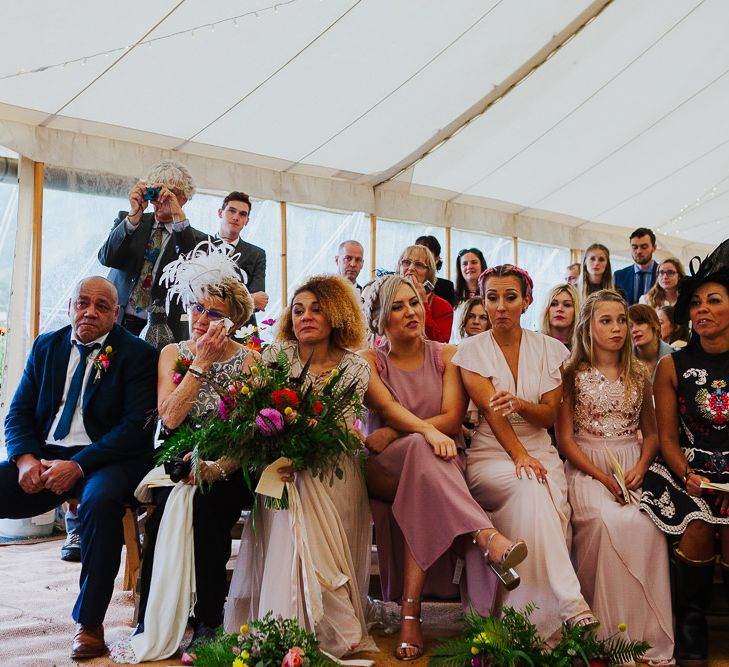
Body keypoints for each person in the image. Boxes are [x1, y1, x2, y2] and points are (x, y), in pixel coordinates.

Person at [361, 275, 527, 661]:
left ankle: (410, 614)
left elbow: (453, 419)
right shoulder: (369, 361)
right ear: (382, 319)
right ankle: (486, 537)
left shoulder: (448, 355)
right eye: (398, 307)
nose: (410, 312)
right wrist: (401, 431)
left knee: (423, 459)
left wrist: (399, 433)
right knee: (422, 446)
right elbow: (387, 407)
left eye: (414, 303)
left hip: (436, 463)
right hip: (385, 471)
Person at [110, 242, 257, 665]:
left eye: (213, 313)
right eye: (196, 308)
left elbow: (246, 440)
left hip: (229, 465)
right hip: (176, 457)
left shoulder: (251, 363)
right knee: (169, 501)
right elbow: (170, 419)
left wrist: (213, 469)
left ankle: (209, 618)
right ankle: (151, 618)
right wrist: (201, 365)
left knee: (208, 509)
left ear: (232, 320)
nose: (200, 319)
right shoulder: (173, 354)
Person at [0, 277, 158, 660]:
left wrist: (78, 465)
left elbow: (136, 428)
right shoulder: (47, 345)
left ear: (116, 313)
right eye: (82, 303)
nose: (90, 311)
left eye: (101, 306)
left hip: (106, 458)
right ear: (71, 306)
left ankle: (90, 624)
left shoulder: (138, 354)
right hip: (44, 455)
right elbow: (18, 412)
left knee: (101, 503)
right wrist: (24, 460)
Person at [225, 275, 376, 659]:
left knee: (304, 487)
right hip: (280, 464)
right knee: (290, 490)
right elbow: (257, 417)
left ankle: (330, 628)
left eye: (316, 309)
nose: (306, 316)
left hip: (332, 463)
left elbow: (339, 427)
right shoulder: (276, 357)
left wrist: (301, 446)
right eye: (298, 310)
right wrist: (281, 449)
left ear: (336, 315)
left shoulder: (355, 366)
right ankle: (281, 625)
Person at [452, 264, 594, 640]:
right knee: (530, 485)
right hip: (490, 454)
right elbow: (491, 411)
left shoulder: (551, 349)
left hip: (540, 449)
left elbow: (548, 414)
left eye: (510, 297)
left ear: (527, 301)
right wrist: (517, 456)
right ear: (482, 300)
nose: (500, 306)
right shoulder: (469, 350)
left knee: (546, 509)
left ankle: (529, 629)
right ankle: (571, 603)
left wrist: (519, 404)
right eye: (492, 297)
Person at [556, 290, 674, 665]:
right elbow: (564, 439)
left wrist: (640, 466)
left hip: (630, 464)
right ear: (588, 327)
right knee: (606, 522)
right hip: (586, 464)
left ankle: (642, 636)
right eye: (606, 321)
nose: (617, 328)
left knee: (646, 525)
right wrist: (601, 477)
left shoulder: (640, 373)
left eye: (621, 320)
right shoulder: (572, 373)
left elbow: (652, 433)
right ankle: (605, 636)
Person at [640, 239, 729, 667]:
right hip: (686, 468)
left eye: (714, 300)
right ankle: (690, 621)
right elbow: (668, 438)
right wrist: (687, 473)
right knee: (696, 525)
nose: (702, 310)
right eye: (696, 303)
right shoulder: (670, 365)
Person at [98, 159, 202, 341]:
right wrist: (132, 219)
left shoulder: (195, 239)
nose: (162, 199)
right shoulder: (128, 220)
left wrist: (178, 217)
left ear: (185, 199)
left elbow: (193, 276)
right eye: (157, 192)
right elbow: (106, 258)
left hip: (163, 328)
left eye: (172, 194)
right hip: (118, 318)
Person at [216, 191, 269, 325]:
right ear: (220, 213)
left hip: (243, 329)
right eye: (231, 211)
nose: (236, 217)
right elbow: (199, 296)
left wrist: (218, 299)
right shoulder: (202, 246)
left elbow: (259, 302)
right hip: (206, 325)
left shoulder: (257, 254)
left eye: (242, 214)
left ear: (247, 221)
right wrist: (250, 298)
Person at [396, 244, 453, 343]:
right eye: (406, 262)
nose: (411, 268)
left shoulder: (443, 306)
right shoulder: (390, 300)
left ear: (429, 273)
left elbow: (441, 343)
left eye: (418, 265)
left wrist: (423, 304)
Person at [613, 227, 658, 305]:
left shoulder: (663, 274)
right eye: (634, 247)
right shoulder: (619, 276)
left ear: (654, 248)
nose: (638, 251)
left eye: (644, 247)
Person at [629, 304, 674, 380]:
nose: (634, 330)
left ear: (655, 324)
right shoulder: (621, 362)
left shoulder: (676, 358)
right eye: (630, 326)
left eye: (640, 323)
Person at [415, 235, 456, 307]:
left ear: (437, 259)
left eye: (427, 252)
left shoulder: (446, 286)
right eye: (417, 251)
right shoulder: (406, 283)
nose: (420, 256)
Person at [540, 283, 579, 349]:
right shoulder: (533, 342)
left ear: (576, 310)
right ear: (546, 309)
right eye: (554, 304)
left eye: (567, 305)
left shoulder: (585, 348)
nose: (559, 309)